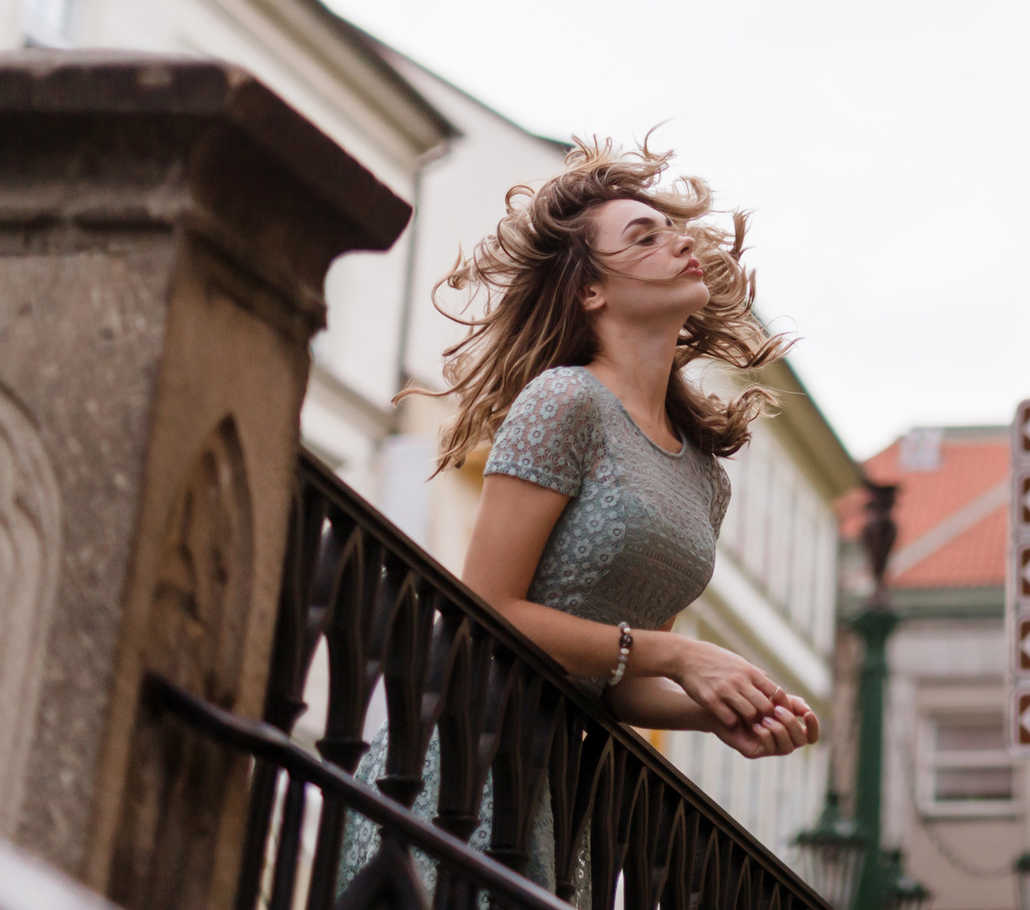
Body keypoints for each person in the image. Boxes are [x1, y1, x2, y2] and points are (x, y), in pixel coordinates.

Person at [343, 139, 818, 894]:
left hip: (563, 780)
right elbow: (488, 609)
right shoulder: (565, 400)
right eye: (644, 235)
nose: (678, 240)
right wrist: (685, 660)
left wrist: (718, 713)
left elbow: (620, 673)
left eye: (672, 228)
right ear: (590, 291)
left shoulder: (703, 475)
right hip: (464, 752)